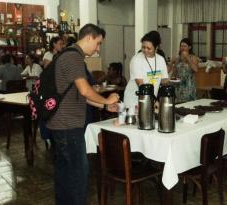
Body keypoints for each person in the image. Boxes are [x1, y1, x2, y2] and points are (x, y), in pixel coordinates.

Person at [45, 24, 119, 205]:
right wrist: (107, 100)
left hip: (61, 125)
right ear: (89, 38)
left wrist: (103, 107)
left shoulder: (71, 56)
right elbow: (86, 91)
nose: (98, 48)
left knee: (64, 174)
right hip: (68, 126)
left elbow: (80, 96)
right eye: (98, 43)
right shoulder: (73, 57)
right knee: (78, 174)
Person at [124, 31, 169, 112]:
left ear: (156, 48)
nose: (145, 50)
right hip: (134, 100)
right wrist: (154, 101)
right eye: (143, 47)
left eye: (149, 48)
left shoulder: (160, 60)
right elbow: (141, 85)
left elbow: (164, 81)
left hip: (151, 99)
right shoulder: (137, 60)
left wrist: (163, 97)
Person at [170, 38, 198, 103]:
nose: (182, 48)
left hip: (189, 86)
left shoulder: (193, 57)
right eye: (181, 46)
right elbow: (174, 72)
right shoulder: (177, 58)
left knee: (189, 105)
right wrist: (171, 63)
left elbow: (195, 69)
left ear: (189, 47)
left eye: (184, 46)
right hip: (178, 85)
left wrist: (187, 57)